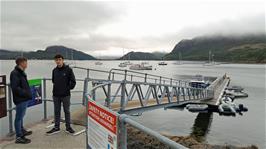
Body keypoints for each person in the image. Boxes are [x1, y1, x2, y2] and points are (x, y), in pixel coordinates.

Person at [46, 54, 76, 135]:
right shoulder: (54, 70)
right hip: (56, 95)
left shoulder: (68, 70)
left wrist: (67, 88)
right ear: (55, 61)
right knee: (56, 111)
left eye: (59, 59)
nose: (58, 61)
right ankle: (56, 127)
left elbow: (73, 82)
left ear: (63, 60)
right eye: (56, 60)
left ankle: (68, 127)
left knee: (67, 111)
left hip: (66, 95)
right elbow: (53, 81)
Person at [10, 57, 33, 144]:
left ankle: (22, 130)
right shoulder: (15, 73)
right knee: (18, 117)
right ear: (21, 63)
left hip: (23, 98)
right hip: (20, 99)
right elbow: (15, 88)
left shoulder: (20, 72)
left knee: (21, 116)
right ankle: (19, 136)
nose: (27, 64)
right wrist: (26, 93)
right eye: (26, 62)